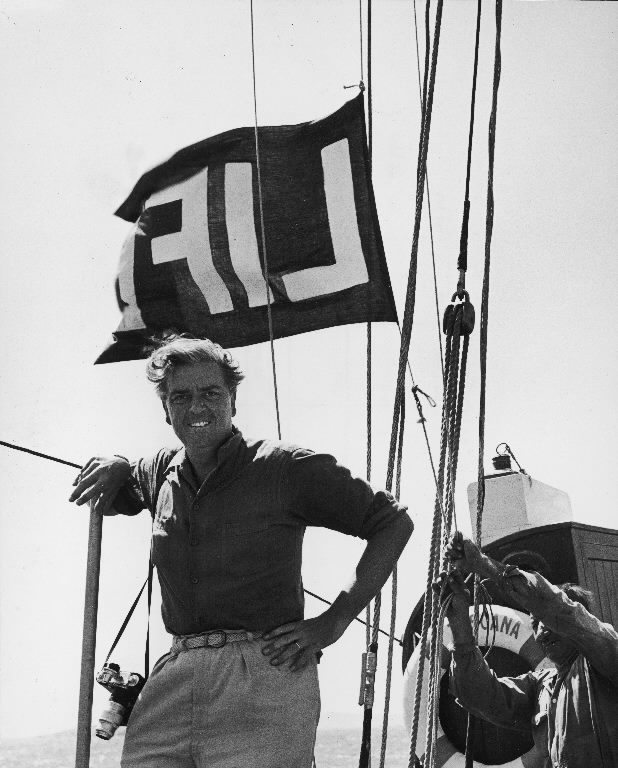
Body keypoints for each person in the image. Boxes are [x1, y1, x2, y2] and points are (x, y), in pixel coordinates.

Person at [69, 335, 413, 768]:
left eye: (211, 392)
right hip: (175, 674)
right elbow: (127, 484)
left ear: (233, 397)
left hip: (264, 676)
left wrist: (334, 621)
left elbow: (392, 521)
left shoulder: (285, 467)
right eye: (181, 396)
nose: (197, 407)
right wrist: (117, 463)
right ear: (166, 408)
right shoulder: (162, 471)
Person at [440, 532, 618, 768]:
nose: (541, 632)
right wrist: (459, 623)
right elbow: (484, 696)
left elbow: (561, 609)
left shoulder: (607, 657)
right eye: (534, 623)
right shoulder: (542, 686)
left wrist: (484, 565)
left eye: (548, 622)